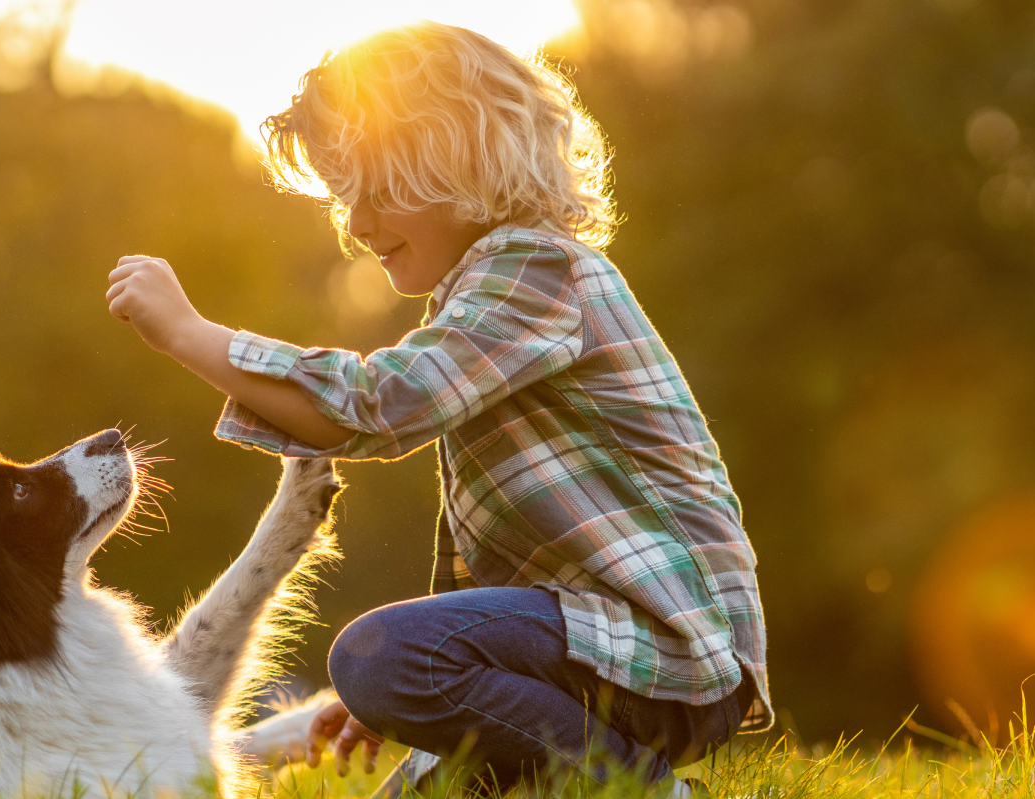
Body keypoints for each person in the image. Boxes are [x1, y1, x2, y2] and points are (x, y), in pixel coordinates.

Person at [104, 21, 768, 794]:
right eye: (344, 198)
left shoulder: (538, 269)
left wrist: (191, 333)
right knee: (402, 729)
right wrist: (429, 696)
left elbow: (375, 406)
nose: (355, 224)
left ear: (466, 161)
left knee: (371, 655)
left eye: (379, 192)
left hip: (667, 645)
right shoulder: (486, 294)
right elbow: (492, 567)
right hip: (595, 649)